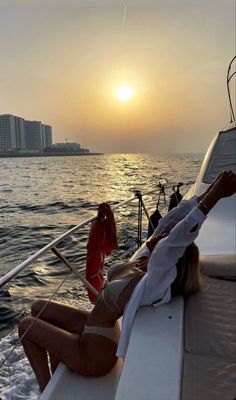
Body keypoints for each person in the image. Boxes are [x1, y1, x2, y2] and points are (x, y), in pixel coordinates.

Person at [18, 171, 236, 392]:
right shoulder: (145, 259)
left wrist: (214, 197)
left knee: (26, 326)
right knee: (38, 307)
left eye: (165, 238)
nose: (162, 235)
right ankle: (58, 367)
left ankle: (45, 390)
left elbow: (180, 236)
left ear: (171, 256)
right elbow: (173, 219)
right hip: (94, 329)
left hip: (96, 353)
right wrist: (210, 189)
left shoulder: (156, 276)